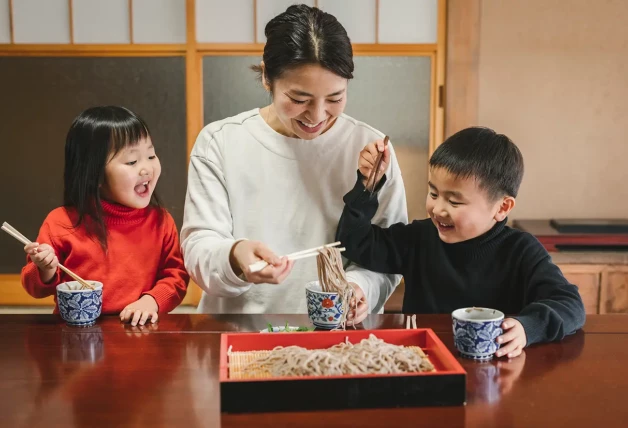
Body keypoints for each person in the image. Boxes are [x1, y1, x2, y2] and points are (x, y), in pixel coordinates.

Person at [181, 4, 408, 324]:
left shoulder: (371, 149)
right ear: (266, 77)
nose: (316, 116)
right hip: (239, 338)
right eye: (299, 99)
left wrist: (361, 287)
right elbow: (199, 248)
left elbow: (391, 250)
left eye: (334, 98)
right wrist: (235, 257)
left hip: (339, 341)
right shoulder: (220, 142)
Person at [336, 127, 586, 357]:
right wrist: (367, 186)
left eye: (454, 202)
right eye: (433, 193)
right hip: (424, 360)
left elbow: (569, 304)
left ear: (502, 207)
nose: (438, 209)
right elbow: (355, 242)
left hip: (495, 370)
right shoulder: (419, 238)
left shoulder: (521, 250)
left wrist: (527, 327)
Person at [21, 106, 189, 326]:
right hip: (75, 338)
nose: (147, 168)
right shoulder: (60, 223)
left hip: (140, 334)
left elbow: (175, 276)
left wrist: (152, 301)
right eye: (131, 162)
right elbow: (33, 288)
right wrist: (45, 269)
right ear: (95, 174)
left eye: (150, 155)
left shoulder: (161, 221)